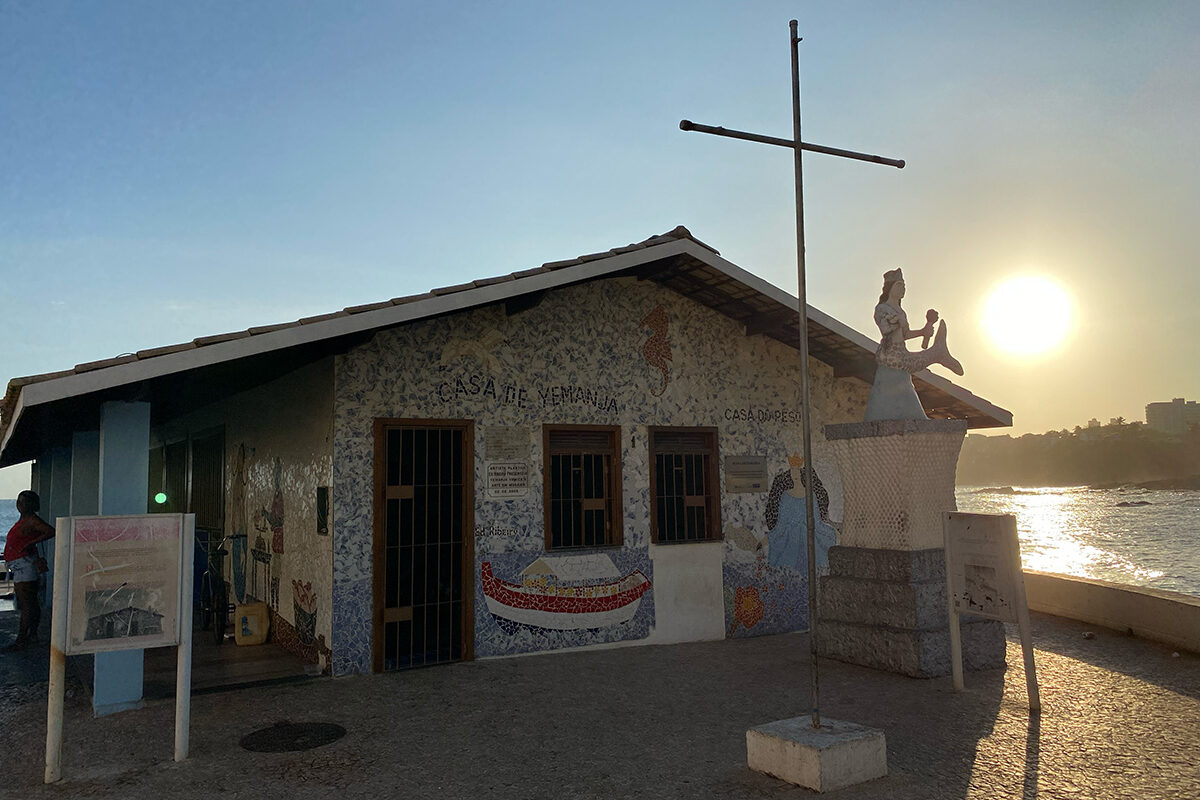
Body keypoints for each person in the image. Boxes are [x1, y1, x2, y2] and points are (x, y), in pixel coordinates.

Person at [865, 268, 963, 421]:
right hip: (891, 355)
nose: (903, 289)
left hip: (901, 352)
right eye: (899, 285)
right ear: (890, 288)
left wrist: (923, 332)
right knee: (907, 367)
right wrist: (896, 320)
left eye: (904, 285)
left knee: (910, 365)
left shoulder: (901, 311)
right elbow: (886, 329)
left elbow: (905, 335)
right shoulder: (882, 308)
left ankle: (937, 353)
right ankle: (937, 353)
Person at [3, 490, 55, 651]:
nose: (20, 505)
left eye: (24, 502)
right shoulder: (25, 519)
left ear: (32, 504)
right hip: (21, 566)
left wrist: (30, 543)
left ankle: (22, 639)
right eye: (19, 501)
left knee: (26, 603)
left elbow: (50, 531)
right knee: (30, 602)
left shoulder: (32, 520)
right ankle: (31, 635)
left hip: (25, 566)